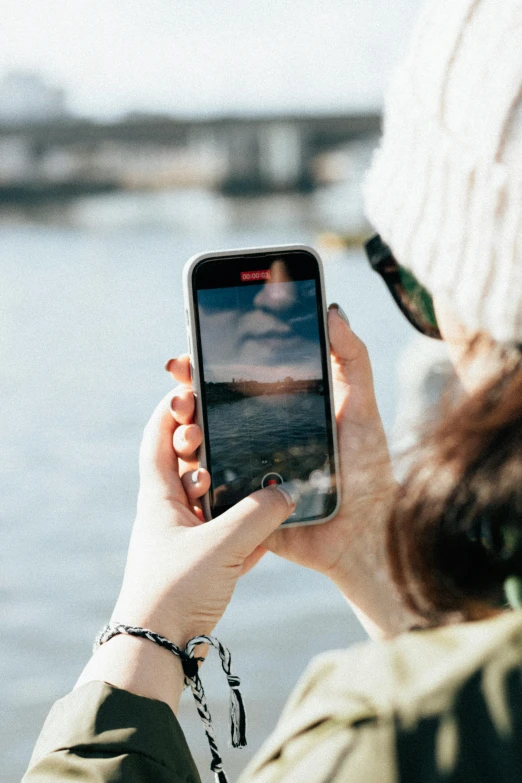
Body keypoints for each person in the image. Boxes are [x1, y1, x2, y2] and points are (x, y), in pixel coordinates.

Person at [23, 0, 522, 780]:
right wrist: (366, 553)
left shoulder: (387, 739)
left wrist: (147, 629)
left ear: (490, 307)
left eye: (418, 284)